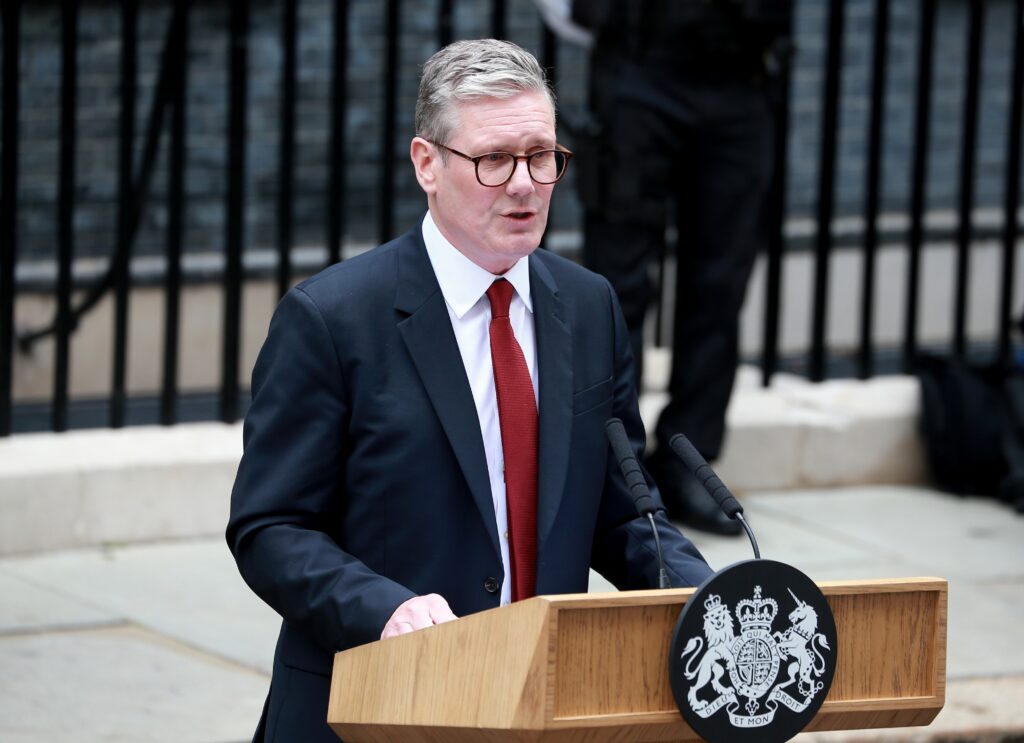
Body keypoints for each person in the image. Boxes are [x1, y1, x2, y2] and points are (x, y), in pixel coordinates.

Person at [226, 39, 713, 742]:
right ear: (428, 163)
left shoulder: (589, 306)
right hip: (375, 707)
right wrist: (383, 608)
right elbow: (269, 527)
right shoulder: (332, 319)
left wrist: (708, 596)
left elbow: (623, 510)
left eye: (541, 155)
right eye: (493, 159)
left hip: (535, 709)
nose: (524, 183)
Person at [572, 0, 792, 535]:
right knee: (616, 284)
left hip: (741, 73)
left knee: (720, 284)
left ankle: (687, 460)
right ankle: (613, 463)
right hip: (642, 64)